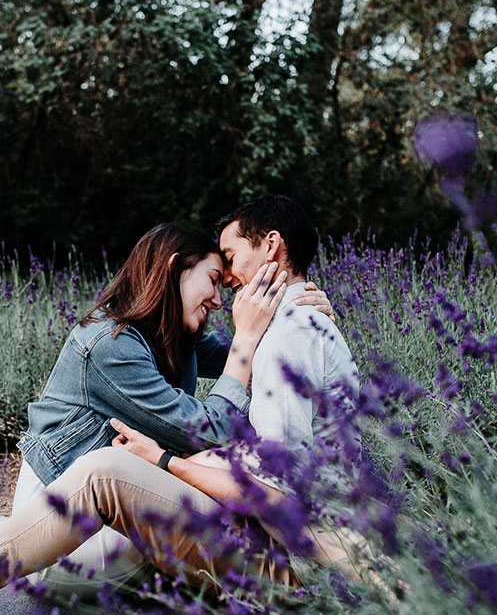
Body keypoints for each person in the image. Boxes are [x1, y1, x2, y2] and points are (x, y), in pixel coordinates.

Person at [0, 196, 360, 591]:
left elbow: (255, 351)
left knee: (210, 465)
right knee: (171, 461)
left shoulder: (178, 337)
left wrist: (303, 310)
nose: (221, 299)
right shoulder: (109, 344)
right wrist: (253, 333)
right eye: (212, 278)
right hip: (63, 532)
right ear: (175, 270)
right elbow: (213, 426)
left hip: (114, 521)